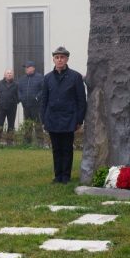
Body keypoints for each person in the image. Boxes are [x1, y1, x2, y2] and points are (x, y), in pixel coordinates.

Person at [41, 46, 86, 184]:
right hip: (52, 118)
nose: (59, 60)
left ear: (66, 59)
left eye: (62, 57)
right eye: (57, 57)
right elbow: (44, 100)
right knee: (56, 149)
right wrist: (43, 119)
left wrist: (79, 119)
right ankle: (57, 175)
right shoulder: (47, 78)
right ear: (54, 60)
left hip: (69, 119)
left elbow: (81, 100)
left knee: (67, 149)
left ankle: (66, 176)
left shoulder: (75, 77)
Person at [0, 68, 20, 144]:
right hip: (2, 107)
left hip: (12, 108)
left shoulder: (16, 84)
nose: (9, 74)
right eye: (8, 73)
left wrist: (16, 102)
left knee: (11, 125)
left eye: (11, 73)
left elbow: (19, 95)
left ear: (13, 75)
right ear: (4, 75)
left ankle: (9, 142)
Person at [16, 61, 44, 131]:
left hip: (36, 106)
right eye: (25, 67)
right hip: (26, 106)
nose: (26, 69)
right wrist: (21, 98)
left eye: (28, 67)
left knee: (38, 124)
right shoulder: (22, 79)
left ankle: (40, 141)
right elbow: (19, 90)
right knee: (27, 125)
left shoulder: (40, 77)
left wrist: (37, 97)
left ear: (33, 68)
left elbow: (43, 90)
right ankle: (27, 141)